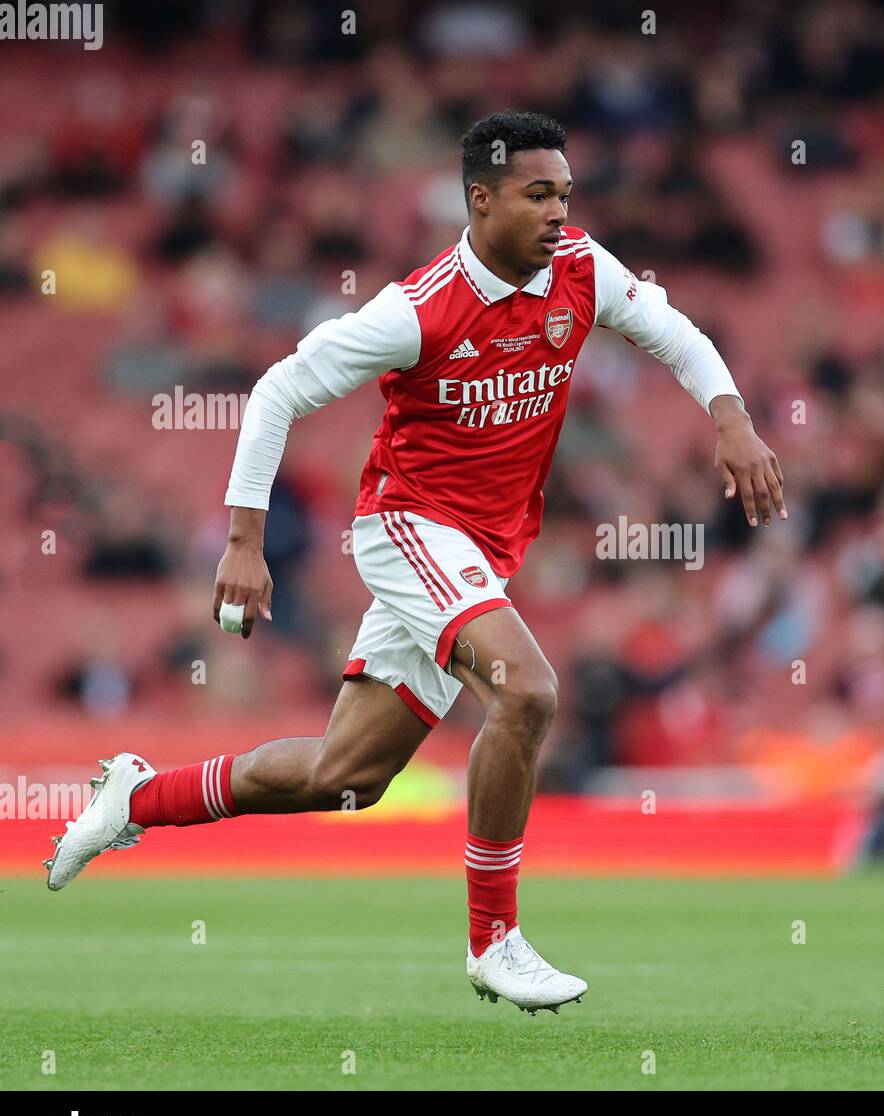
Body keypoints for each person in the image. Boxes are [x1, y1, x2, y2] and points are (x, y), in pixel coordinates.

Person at [43, 110, 787, 1014]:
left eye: (565, 194)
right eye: (537, 194)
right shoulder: (418, 309)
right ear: (481, 200)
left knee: (344, 774)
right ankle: (494, 940)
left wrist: (732, 418)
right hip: (408, 527)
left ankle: (134, 798)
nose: (559, 213)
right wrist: (244, 540)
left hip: (482, 550)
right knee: (528, 689)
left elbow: (672, 330)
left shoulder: (583, 269)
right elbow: (278, 387)